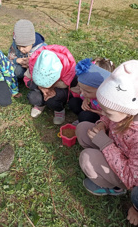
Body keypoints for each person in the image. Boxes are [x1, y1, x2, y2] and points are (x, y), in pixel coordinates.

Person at [75, 60, 138, 224]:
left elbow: (132, 178)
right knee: (82, 129)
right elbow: (110, 119)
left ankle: (115, 188)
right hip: (114, 147)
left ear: (128, 111)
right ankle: (101, 161)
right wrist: (103, 122)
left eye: (108, 112)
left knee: (87, 158)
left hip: (124, 174)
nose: (103, 113)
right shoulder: (123, 113)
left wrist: (105, 145)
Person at [24, 45, 76, 125]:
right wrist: (40, 88)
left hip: (60, 90)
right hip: (43, 87)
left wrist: (54, 89)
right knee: (33, 97)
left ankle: (59, 109)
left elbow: (69, 86)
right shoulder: (34, 64)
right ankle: (40, 104)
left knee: (53, 99)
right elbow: (27, 79)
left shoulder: (67, 68)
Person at [69, 58, 113, 125]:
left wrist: (100, 113)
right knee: (74, 102)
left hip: (101, 118)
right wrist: (86, 99)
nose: (82, 93)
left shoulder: (109, 102)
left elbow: (112, 117)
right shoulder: (90, 91)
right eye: (81, 88)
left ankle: (86, 122)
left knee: (85, 116)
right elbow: (84, 95)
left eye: (87, 91)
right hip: (91, 108)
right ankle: (82, 119)